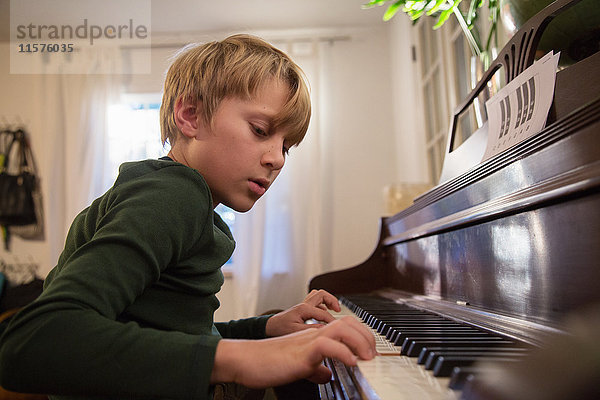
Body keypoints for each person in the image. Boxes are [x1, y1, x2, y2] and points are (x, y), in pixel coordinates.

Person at [0, 34, 376, 399]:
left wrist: (263, 329)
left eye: (286, 147)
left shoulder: (178, 197)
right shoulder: (172, 197)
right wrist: (244, 357)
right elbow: (35, 339)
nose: (276, 159)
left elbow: (172, 330)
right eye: (260, 130)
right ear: (190, 115)